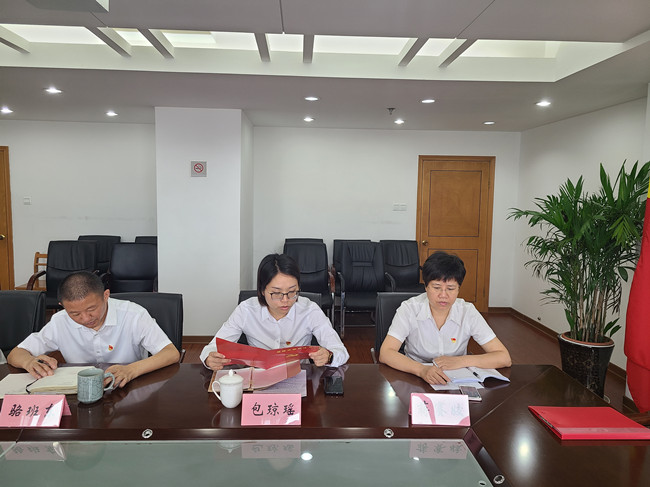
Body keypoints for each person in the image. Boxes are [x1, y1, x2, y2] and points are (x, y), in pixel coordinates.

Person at [7, 271, 180, 387]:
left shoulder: (133, 315)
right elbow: (16, 354)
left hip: (128, 386)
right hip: (80, 392)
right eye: (75, 313)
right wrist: (29, 362)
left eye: (91, 309)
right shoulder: (60, 321)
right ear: (62, 306)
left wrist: (131, 369)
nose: (85, 318)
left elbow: (171, 353)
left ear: (106, 295)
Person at [379, 251, 511, 384]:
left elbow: (504, 357)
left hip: (456, 379)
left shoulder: (467, 312)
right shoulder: (409, 309)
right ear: (426, 286)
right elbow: (386, 353)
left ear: (458, 289)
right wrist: (421, 370)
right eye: (437, 287)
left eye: (450, 288)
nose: (443, 295)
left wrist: (461, 361)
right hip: (414, 377)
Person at [201, 253, 349, 370]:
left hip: (298, 376)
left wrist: (329, 356)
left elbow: (341, 351)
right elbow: (213, 347)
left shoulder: (309, 310)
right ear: (262, 290)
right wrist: (210, 358)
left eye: (292, 292)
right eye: (276, 293)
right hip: (258, 377)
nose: (285, 300)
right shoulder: (246, 310)